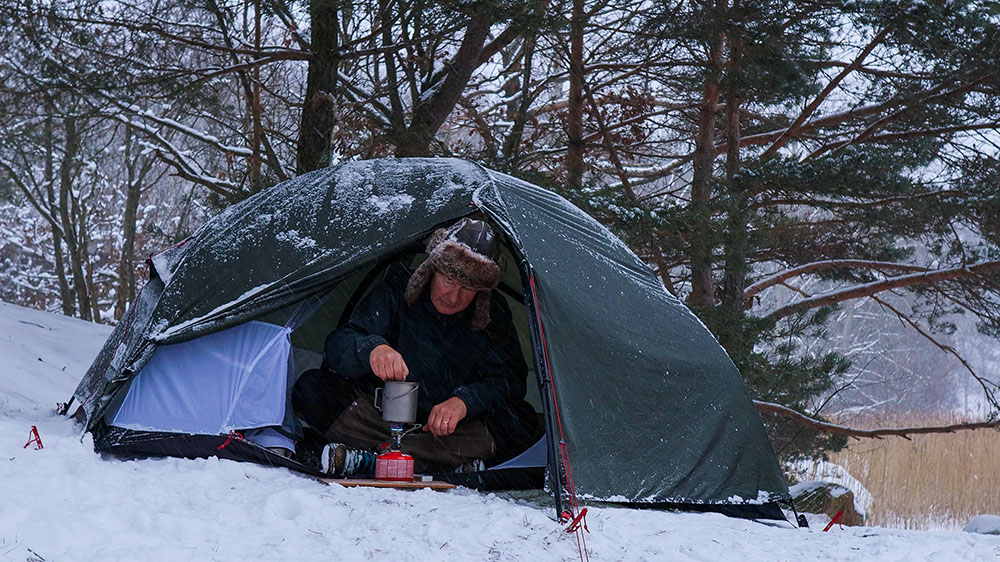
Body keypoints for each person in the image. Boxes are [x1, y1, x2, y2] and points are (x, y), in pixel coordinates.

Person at [293, 218, 537, 475]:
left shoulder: (492, 313)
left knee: (521, 421)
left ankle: (376, 460)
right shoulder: (397, 290)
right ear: (432, 270)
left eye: (467, 288)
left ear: (481, 291)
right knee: (311, 389)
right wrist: (373, 349)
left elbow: (510, 381)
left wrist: (464, 401)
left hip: (447, 431)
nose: (454, 297)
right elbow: (337, 347)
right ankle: (442, 465)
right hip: (378, 419)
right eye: (448, 281)